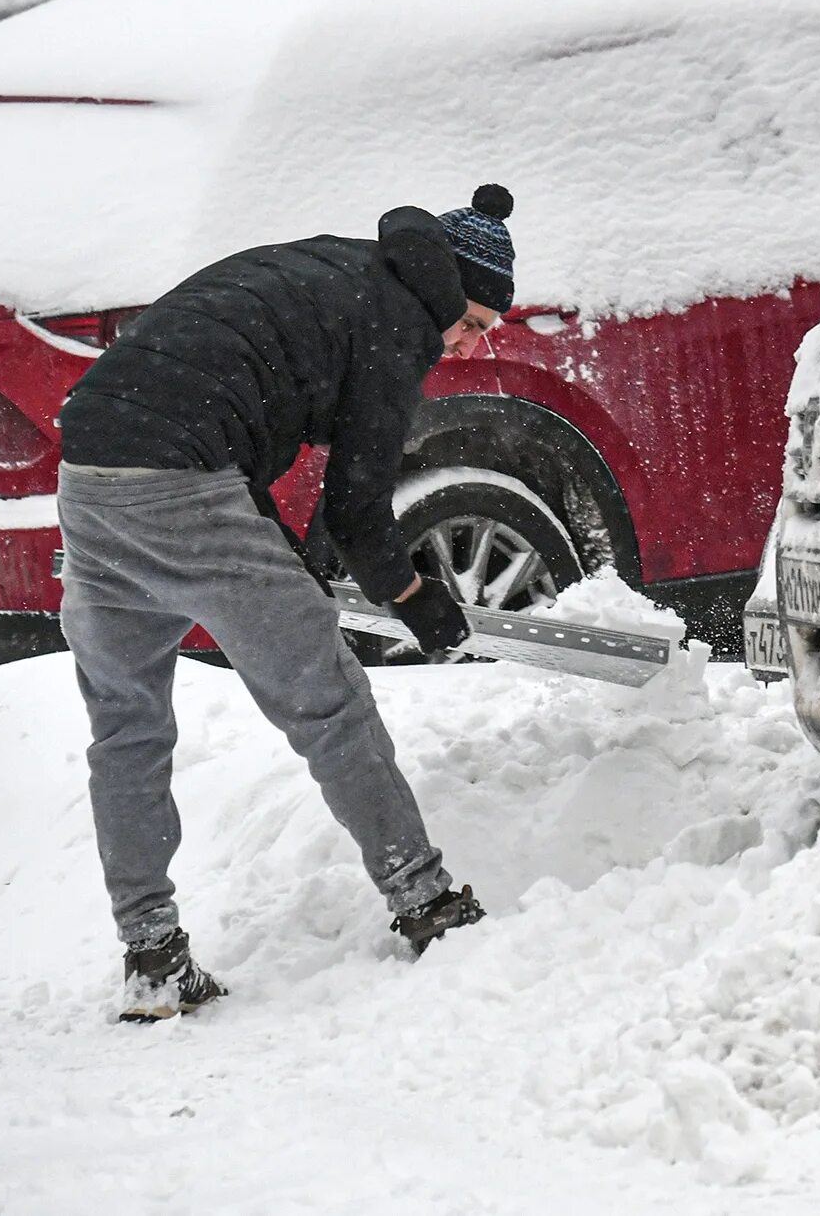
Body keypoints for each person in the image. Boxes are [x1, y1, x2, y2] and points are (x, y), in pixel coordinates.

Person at [55, 185, 520, 1022]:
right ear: (450, 293)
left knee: (126, 725)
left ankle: (152, 953)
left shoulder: (341, 270)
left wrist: (291, 566)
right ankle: (426, 900)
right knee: (328, 698)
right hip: (179, 479)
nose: (466, 343)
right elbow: (357, 503)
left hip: (90, 468)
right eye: (476, 323)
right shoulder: (401, 320)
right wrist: (415, 598)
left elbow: (235, 421)